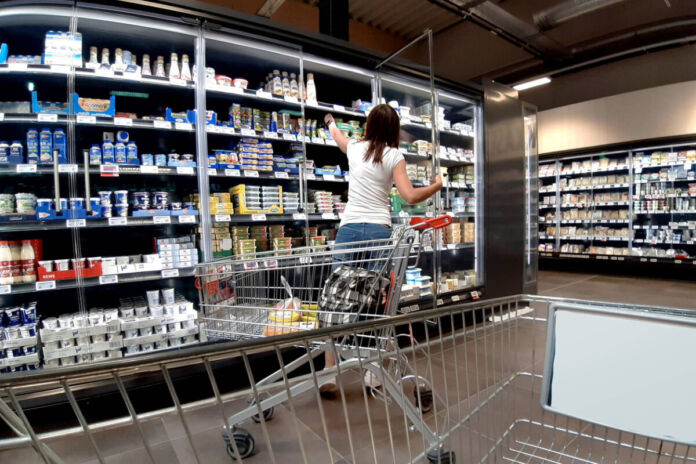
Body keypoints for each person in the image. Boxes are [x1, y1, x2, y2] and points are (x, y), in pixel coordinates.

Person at [319, 103, 442, 397]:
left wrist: (330, 122)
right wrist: (436, 185)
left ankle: (328, 373)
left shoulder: (354, 148)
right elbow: (410, 196)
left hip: (348, 231)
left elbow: (337, 136)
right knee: (376, 301)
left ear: (369, 126)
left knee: (335, 298)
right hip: (378, 232)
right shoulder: (393, 155)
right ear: (392, 130)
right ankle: (373, 374)